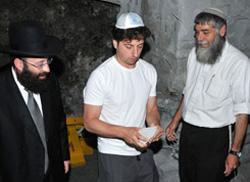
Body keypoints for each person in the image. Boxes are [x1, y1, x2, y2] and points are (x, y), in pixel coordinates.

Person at [166, 8, 250, 182]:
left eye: (205, 32)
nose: (199, 38)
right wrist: (174, 122)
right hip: (188, 132)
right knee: (187, 178)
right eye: (197, 32)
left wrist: (234, 152)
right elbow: (187, 92)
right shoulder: (194, 54)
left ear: (222, 30)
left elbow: (242, 112)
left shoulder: (239, 63)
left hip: (214, 138)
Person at [83, 12, 164, 182]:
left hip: (144, 151)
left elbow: (151, 108)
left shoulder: (149, 70)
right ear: (115, 43)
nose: (135, 53)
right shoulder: (101, 76)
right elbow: (90, 122)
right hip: (114, 154)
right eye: (128, 46)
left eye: (140, 46)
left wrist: (155, 126)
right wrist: (124, 133)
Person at [0, 20, 70, 182]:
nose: (47, 69)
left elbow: (59, 121)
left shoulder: (49, 80)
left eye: (48, 61)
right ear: (19, 64)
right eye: (40, 64)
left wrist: (64, 156)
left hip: (52, 172)